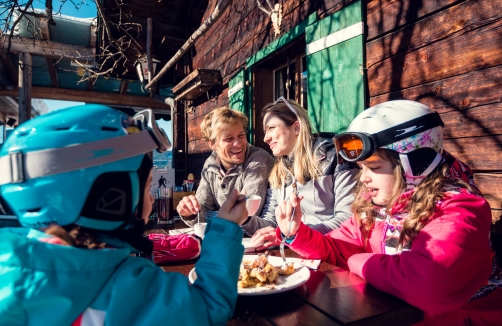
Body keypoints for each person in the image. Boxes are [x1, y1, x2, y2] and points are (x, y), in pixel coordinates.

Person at [0, 105, 248, 325]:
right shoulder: (128, 288)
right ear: (111, 196)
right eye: (149, 186)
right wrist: (225, 228)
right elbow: (206, 310)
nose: (152, 197)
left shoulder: (8, 266)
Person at [275, 100, 502, 324]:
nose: (363, 178)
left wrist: (358, 261)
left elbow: (428, 284)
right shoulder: (374, 209)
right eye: (361, 168)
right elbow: (337, 249)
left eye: (374, 168)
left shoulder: (458, 209)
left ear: (414, 164)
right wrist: (298, 233)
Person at [245, 97, 359, 249]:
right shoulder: (279, 171)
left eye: (271, 128)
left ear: (296, 128)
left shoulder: (335, 157)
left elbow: (348, 218)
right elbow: (272, 221)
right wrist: (245, 219)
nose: (265, 138)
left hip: (331, 252)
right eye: (265, 131)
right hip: (294, 252)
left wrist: (293, 234)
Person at [177, 107, 274, 226]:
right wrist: (189, 212)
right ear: (212, 144)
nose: (238, 144)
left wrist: (209, 215)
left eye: (241, 135)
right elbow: (201, 210)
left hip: (257, 240)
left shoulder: (259, 160)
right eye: (229, 139)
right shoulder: (210, 164)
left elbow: (247, 213)